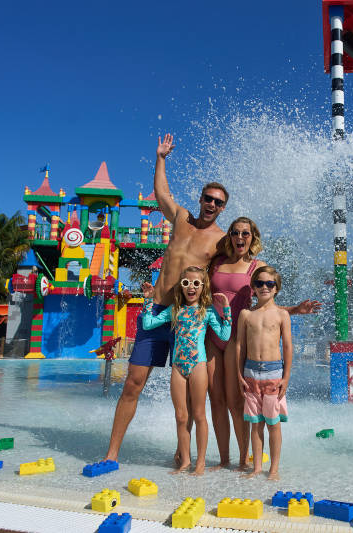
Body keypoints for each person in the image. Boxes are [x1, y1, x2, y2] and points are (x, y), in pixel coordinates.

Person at [103, 133, 228, 463]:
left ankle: (182, 455)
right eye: (208, 198)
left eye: (218, 202)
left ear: (223, 207)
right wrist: (161, 157)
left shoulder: (221, 240)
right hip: (157, 310)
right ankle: (112, 453)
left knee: (186, 392)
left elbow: (238, 264)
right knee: (133, 381)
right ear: (201, 199)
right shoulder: (181, 218)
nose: (211, 204)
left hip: (186, 316)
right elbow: (161, 194)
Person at [205, 217, 321, 470]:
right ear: (230, 236)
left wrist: (295, 310)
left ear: (252, 237)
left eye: (245, 233)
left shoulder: (259, 267)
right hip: (213, 337)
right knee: (216, 400)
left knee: (237, 402)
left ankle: (244, 459)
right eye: (235, 232)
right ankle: (224, 459)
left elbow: (269, 308)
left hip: (237, 339)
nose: (240, 237)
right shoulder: (217, 263)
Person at [141, 266, 231, 475]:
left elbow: (224, 335)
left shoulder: (207, 311)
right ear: (181, 287)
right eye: (186, 283)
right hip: (178, 367)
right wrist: (148, 299)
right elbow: (147, 324)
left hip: (198, 365)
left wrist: (226, 309)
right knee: (181, 416)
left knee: (199, 415)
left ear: (203, 287)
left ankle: (200, 462)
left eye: (196, 283)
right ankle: (185, 462)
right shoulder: (174, 310)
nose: (191, 287)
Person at [236, 266, 292, 481]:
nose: (264, 287)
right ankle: (257, 467)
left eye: (269, 284)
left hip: (273, 375)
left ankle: (274, 469)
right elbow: (240, 346)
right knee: (255, 424)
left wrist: (286, 377)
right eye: (259, 283)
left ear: (276, 288)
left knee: (273, 424)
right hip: (250, 374)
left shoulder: (281, 314)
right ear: (253, 288)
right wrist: (239, 374)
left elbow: (287, 346)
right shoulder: (246, 314)